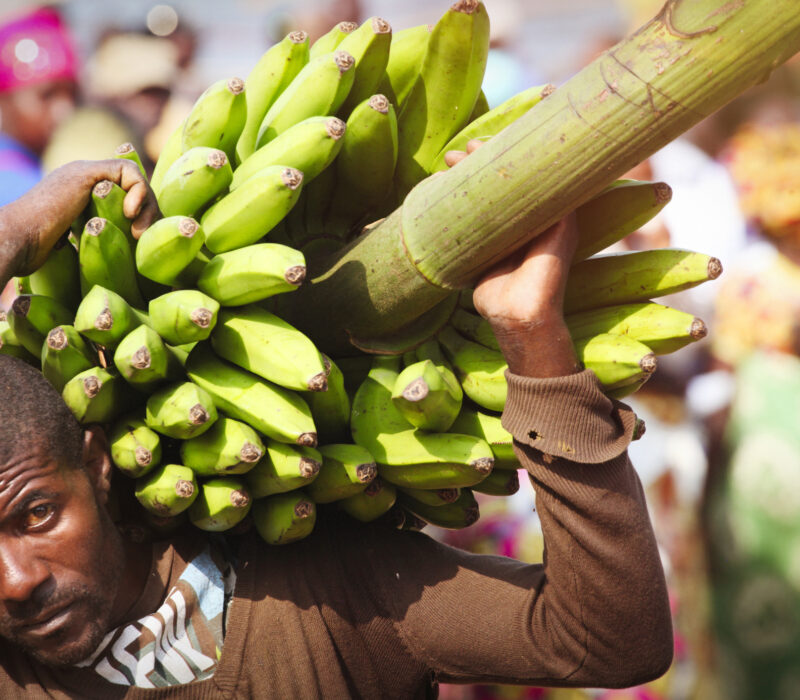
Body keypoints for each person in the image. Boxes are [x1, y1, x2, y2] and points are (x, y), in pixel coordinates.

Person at [0, 148, 673, 697]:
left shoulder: (331, 592)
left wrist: (532, 338)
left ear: (96, 467)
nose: (16, 581)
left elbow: (610, 641)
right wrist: (13, 234)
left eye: (36, 516)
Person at [0, 6, 78, 207]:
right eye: (47, 95)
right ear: (4, 101)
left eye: (73, 94)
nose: (65, 110)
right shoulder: (22, 192)